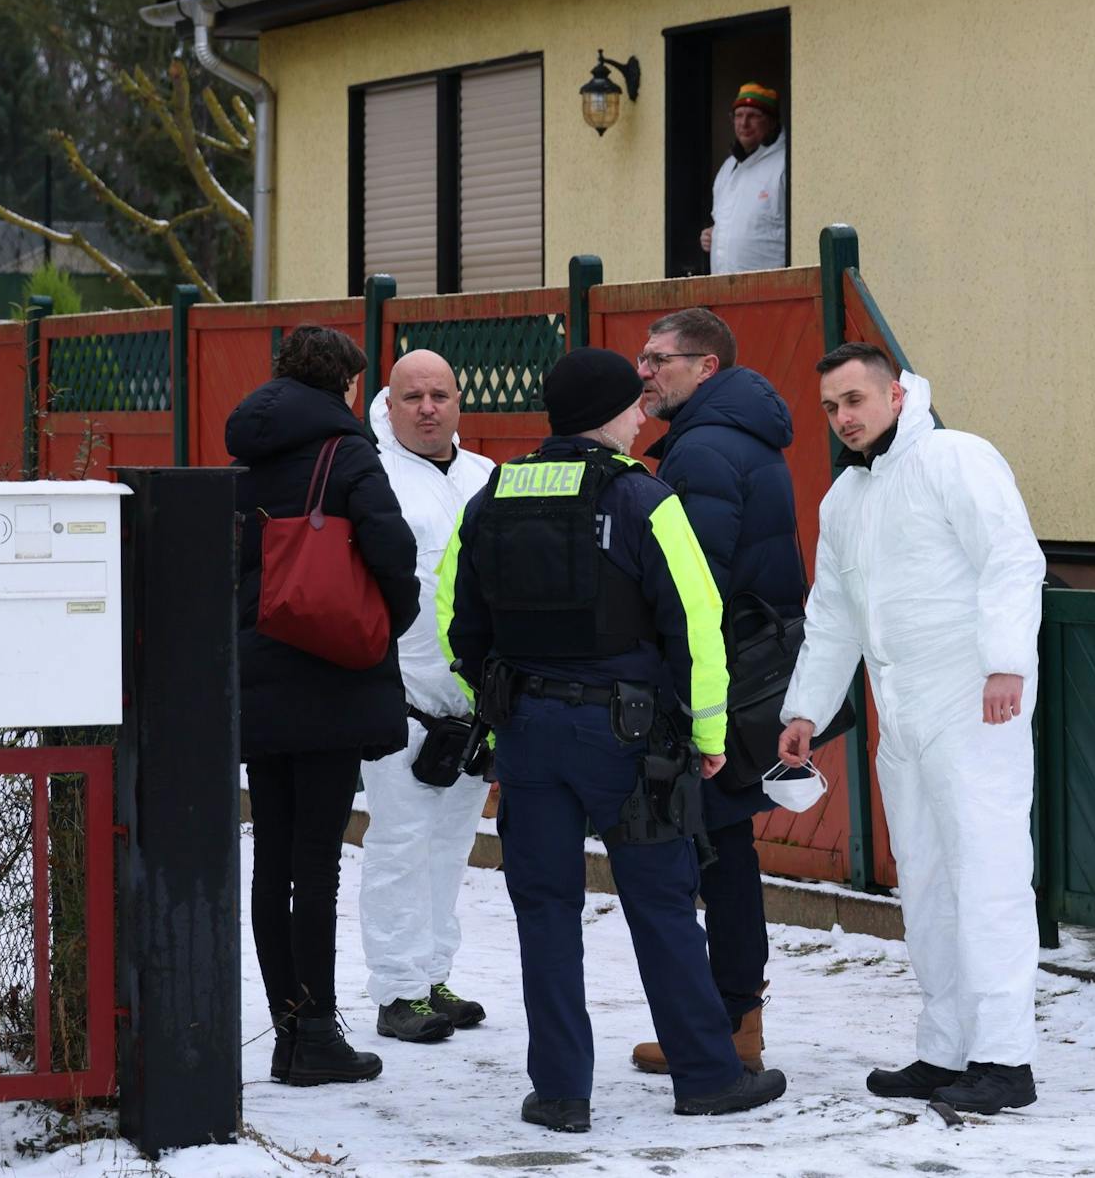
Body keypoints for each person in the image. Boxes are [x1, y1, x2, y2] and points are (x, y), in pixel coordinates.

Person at [437, 347, 788, 1133]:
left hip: (527, 735)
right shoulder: (642, 497)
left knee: (544, 910)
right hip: (627, 739)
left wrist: (497, 707)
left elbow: (457, 624)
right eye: (635, 404)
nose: (643, 415)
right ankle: (707, 1074)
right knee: (662, 903)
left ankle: (561, 1092)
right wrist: (708, 732)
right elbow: (694, 623)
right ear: (609, 412)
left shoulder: (492, 493)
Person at [776, 342, 1046, 1116]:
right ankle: (946, 1048)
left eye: (855, 400)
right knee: (926, 879)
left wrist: (1004, 664)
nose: (844, 418)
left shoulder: (956, 459)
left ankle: (1003, 1055)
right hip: (904, 718)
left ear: (897, 393)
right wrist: (806, 709)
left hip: (974, 706)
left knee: (988, 876)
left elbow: (1010, 560)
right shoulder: (846, 499)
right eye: (831, 407)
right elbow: (831, 614)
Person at [227, 324, 421, 1087]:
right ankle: (317, 1033)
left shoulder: (246, 455)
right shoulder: (350, 453)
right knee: (319, 860)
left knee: (271, 860)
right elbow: (394, 555)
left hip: (261, 677)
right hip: (333, 677)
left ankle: (287, 1032)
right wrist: (383, 624)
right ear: (346, 385)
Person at [627, 307, 802, 1078]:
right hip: (752, 669)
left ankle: (730, 1021)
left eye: (660, 358)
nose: (645, 370)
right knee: (725, 848)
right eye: (644, 356)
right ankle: (732, 1016)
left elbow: (692, 586)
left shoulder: (701, 450)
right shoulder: (739, 435)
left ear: (707, 367)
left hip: (720, 677)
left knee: (718, 851)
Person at [360, 349, 497, 1043]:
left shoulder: (486, 478)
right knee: (398, 844)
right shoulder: (375, 479)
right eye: (411, 396)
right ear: (388, 405)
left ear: (458, 402)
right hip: (402, 697)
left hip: (472, 707)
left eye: (440, 393)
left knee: (450, 846)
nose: (427, 407)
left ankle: (433, 974)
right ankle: (396, 988)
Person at [701, 82, 787, 275]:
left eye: (753, 116)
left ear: (772, 121)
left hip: (772, 293)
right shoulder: (729, 167)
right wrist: (716, 235)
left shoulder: (785, 164)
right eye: (738, 115)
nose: (744, 123)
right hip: (725, 291)